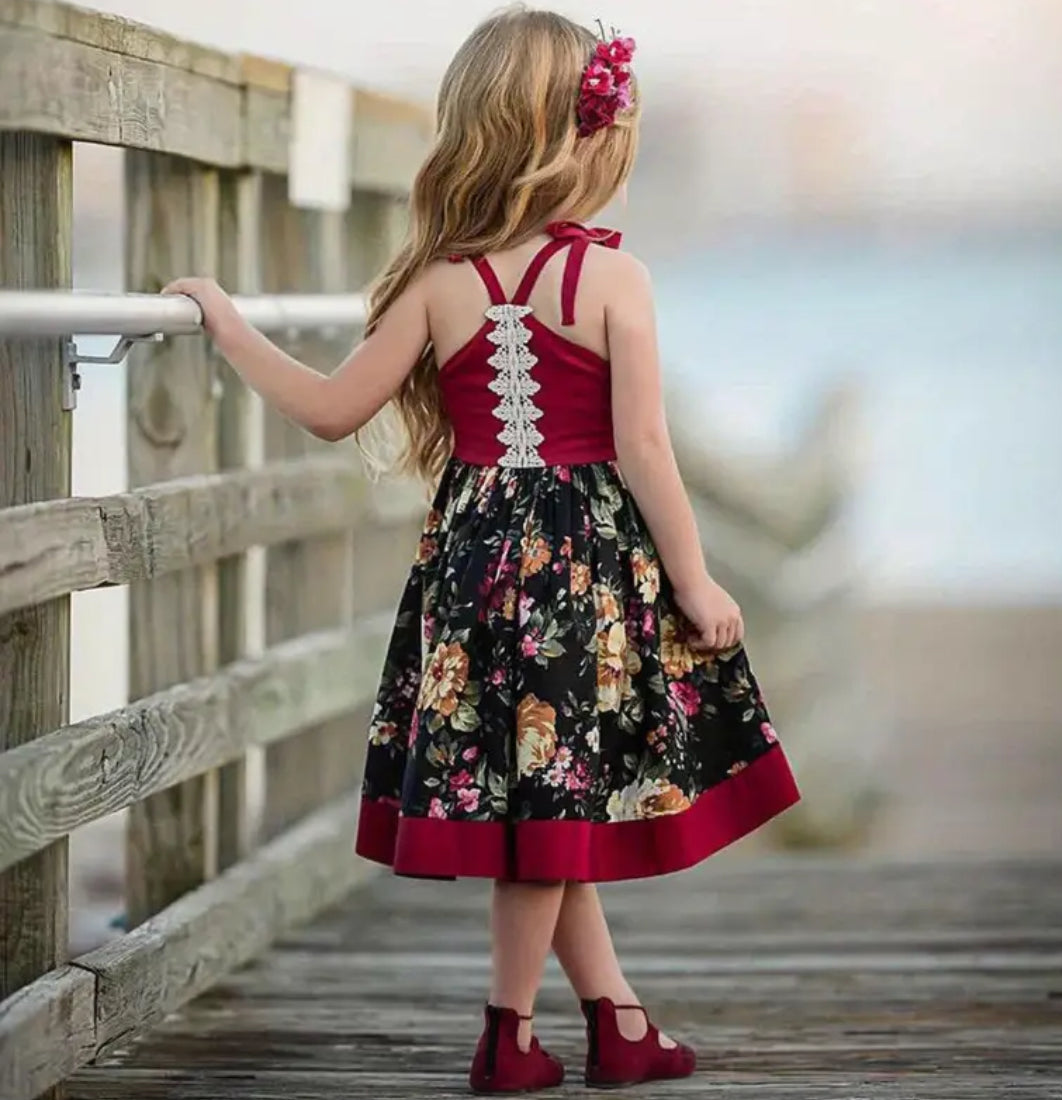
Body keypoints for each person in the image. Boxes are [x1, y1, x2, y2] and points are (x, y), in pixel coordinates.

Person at [164, 6, 799, 1093]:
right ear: (583, 136)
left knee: (544, 802)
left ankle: (618, 1022)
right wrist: (694, 579)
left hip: (468, 571)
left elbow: (330, 409)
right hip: (582, 577)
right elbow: (645, 448)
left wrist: (228, 327)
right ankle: (507, 1032)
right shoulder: (613, 281)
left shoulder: (439, 282)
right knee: (550, 805)